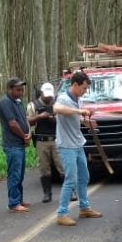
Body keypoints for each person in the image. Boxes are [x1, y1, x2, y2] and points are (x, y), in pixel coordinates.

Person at [53, 71, 103, 225]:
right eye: (83, 88)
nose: (84, 91)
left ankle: (84, 207)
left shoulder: (77, 99)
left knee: (84, 177)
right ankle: (62, 213)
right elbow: (57, 109)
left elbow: (75, 117)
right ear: (75, 85)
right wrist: (79, 111)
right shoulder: (63, 98)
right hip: (66, 146)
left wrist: (86, 122)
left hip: (77, 144)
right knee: (70, 179)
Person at [0, 77, 32, 212]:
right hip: (12, 144)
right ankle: (13, 202)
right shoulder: (5, 102)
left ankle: (19, 199)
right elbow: (12, 124)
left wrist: (28, 133)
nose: (21, 92)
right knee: (14, 174)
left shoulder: (18, 102)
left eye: (22, 90)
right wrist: (23, 136)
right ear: (9, 89)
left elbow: (24, 119)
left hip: (20, 143)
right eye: (18, 89)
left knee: (20, 174)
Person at [27, 82, 64, 203]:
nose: (49, 98)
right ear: (41, 93)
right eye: (47, 95)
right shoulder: (33, 105)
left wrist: (54, 118)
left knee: (62, 166)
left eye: (50, 96)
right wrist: (40, 117)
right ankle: (47, 193)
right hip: (41, 140)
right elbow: (28, 121)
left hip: (57, 139)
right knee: (44, 168)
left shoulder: (57, 104)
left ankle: (70, 191)